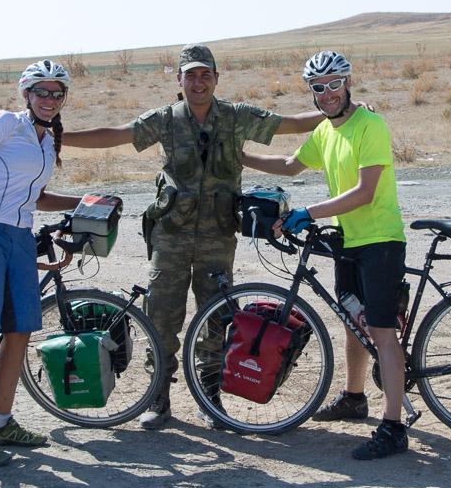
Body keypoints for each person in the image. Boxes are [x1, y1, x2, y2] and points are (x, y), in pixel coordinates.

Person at [62, 44, 325, 430]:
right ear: (180, 80)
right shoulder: (165, 120)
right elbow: (117, 135)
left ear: (216, 79)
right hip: (171, 235)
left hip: (218, 236)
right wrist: (58, 135)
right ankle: (158, 397)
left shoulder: (236, 117)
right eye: (191, 75)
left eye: (206, 75)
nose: (198, 82)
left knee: (218, 317)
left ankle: (208, 394)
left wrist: (340, 112)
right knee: (161, 317)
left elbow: (289, 123)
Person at [241, 50, 409, 460]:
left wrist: (308, 212)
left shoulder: (370, 125)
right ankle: (354, 399)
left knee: (383, 333)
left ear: (348, 82)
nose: (328, 93)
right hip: (348, 242)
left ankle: (393, 428)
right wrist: (238, 157)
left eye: (335, 84)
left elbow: (365, 191)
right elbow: (289, 164)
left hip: (380, 240)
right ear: (312, 92)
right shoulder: (325, 131)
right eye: (319, 87)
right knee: (353, 322)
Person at [0, 60, 82, 466]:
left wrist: (86, 202)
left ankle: (1, 423)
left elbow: (36, 198)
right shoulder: (6, 122)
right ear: (26, 94)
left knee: (20, 331)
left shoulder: (46, 141)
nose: (49, 100)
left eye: (57, 94)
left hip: (20, 237)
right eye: (41, 92)